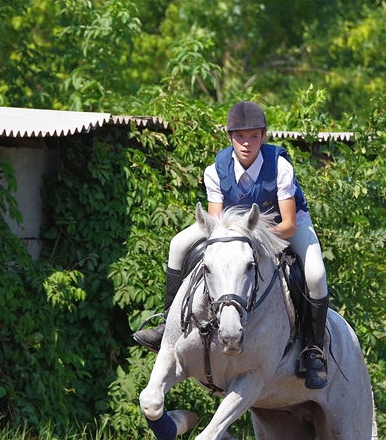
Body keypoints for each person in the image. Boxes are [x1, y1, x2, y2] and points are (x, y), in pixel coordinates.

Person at [133, 100, 330, 390]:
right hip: (233, 229)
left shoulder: (280, 166)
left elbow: (288, 224)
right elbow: (215, 223)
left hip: (285, 225)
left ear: (263, 136)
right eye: (240, 136)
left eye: (253, 136)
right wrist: (232, 240)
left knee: (315, 274)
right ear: (230, 137)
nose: (246, 143)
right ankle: (167, 324)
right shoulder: (216, 169)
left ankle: (313, 349)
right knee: (177, 244)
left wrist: (250, 238)